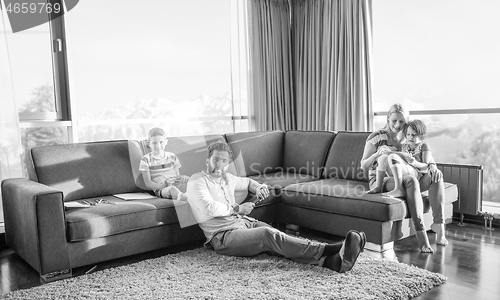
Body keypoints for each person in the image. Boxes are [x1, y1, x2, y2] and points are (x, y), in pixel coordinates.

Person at [187, 141, 366, 273]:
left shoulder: (228, 178)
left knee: (279, 239)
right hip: (223, 236)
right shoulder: (197, 181)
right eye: (216, 160)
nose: (219, 165)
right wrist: (238, 209)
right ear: (207, 160)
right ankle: (328, 249)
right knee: (268, 235)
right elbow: (208, 207)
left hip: (244, 223)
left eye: (223, 161)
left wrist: (259, 188)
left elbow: (248, 182)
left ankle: (331, 263)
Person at [360, 104, 449, 253]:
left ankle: (440, 228)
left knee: (436, 177)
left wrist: (433, 166)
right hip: (382, 179)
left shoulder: (407, 136)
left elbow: (423, 153)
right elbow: (363, 165)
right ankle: (422, 237)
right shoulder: (377, 137)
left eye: (402, 122)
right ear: (388, 118)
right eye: (394, 120)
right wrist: (377, 154)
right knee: (410, 181)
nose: (397, 125)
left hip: (408, 173)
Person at [368, 119, 434, 199]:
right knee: (383, 158)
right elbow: (400, 159)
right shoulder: (404, 146)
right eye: (408, 134)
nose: (410, 137)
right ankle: (378, 187)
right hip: (404, 170)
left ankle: (398, 189)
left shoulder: (424, 146)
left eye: (413, 135)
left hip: (416, 173)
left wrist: (414, 162)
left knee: (393, 157)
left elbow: (426, 166)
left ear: (421, 135)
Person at [139, 127, 189, 201]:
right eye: (154, 143)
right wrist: (161, 186)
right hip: (161, 189)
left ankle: (188, 197)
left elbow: (177, 175)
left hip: (175, 183)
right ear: (148, 143)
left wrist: (183, 177)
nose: (158, 146)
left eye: (161, 142)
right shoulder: (146, 159)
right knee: (172, 189)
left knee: (192, 180)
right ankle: (184, 199)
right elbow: (148, 183)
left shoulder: (172, 156)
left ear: (166, 142)